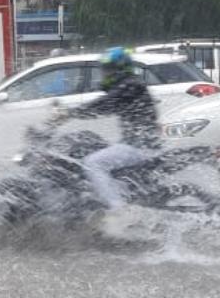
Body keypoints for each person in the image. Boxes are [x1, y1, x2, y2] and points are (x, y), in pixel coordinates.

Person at [50, 47, 160, 212]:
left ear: (119, 69)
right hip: (135, 143)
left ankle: (119, 209)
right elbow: (104, 107)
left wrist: (70, 113)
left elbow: (104, 104)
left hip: (140, 147)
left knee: (93, 163)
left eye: (107, 70)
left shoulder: (131, 85)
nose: (104, 74)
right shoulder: (130, 85)